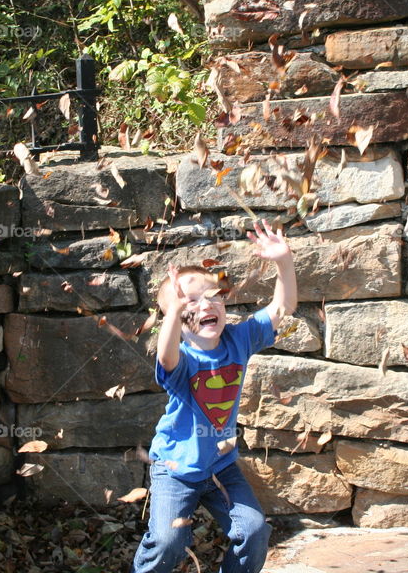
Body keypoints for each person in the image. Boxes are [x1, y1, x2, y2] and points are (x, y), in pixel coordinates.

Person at [131, 220, 298, 573]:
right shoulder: (183, 360)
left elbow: (282, 310)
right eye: (191, 301)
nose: (207, 305)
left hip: (220, 467)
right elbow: (165, 357)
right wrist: (174, 313)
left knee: (253, 531)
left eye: (213, 296)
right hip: (175, 469)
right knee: (168, 541)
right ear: (174, 314)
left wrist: (283, 262)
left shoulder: (240, 339)